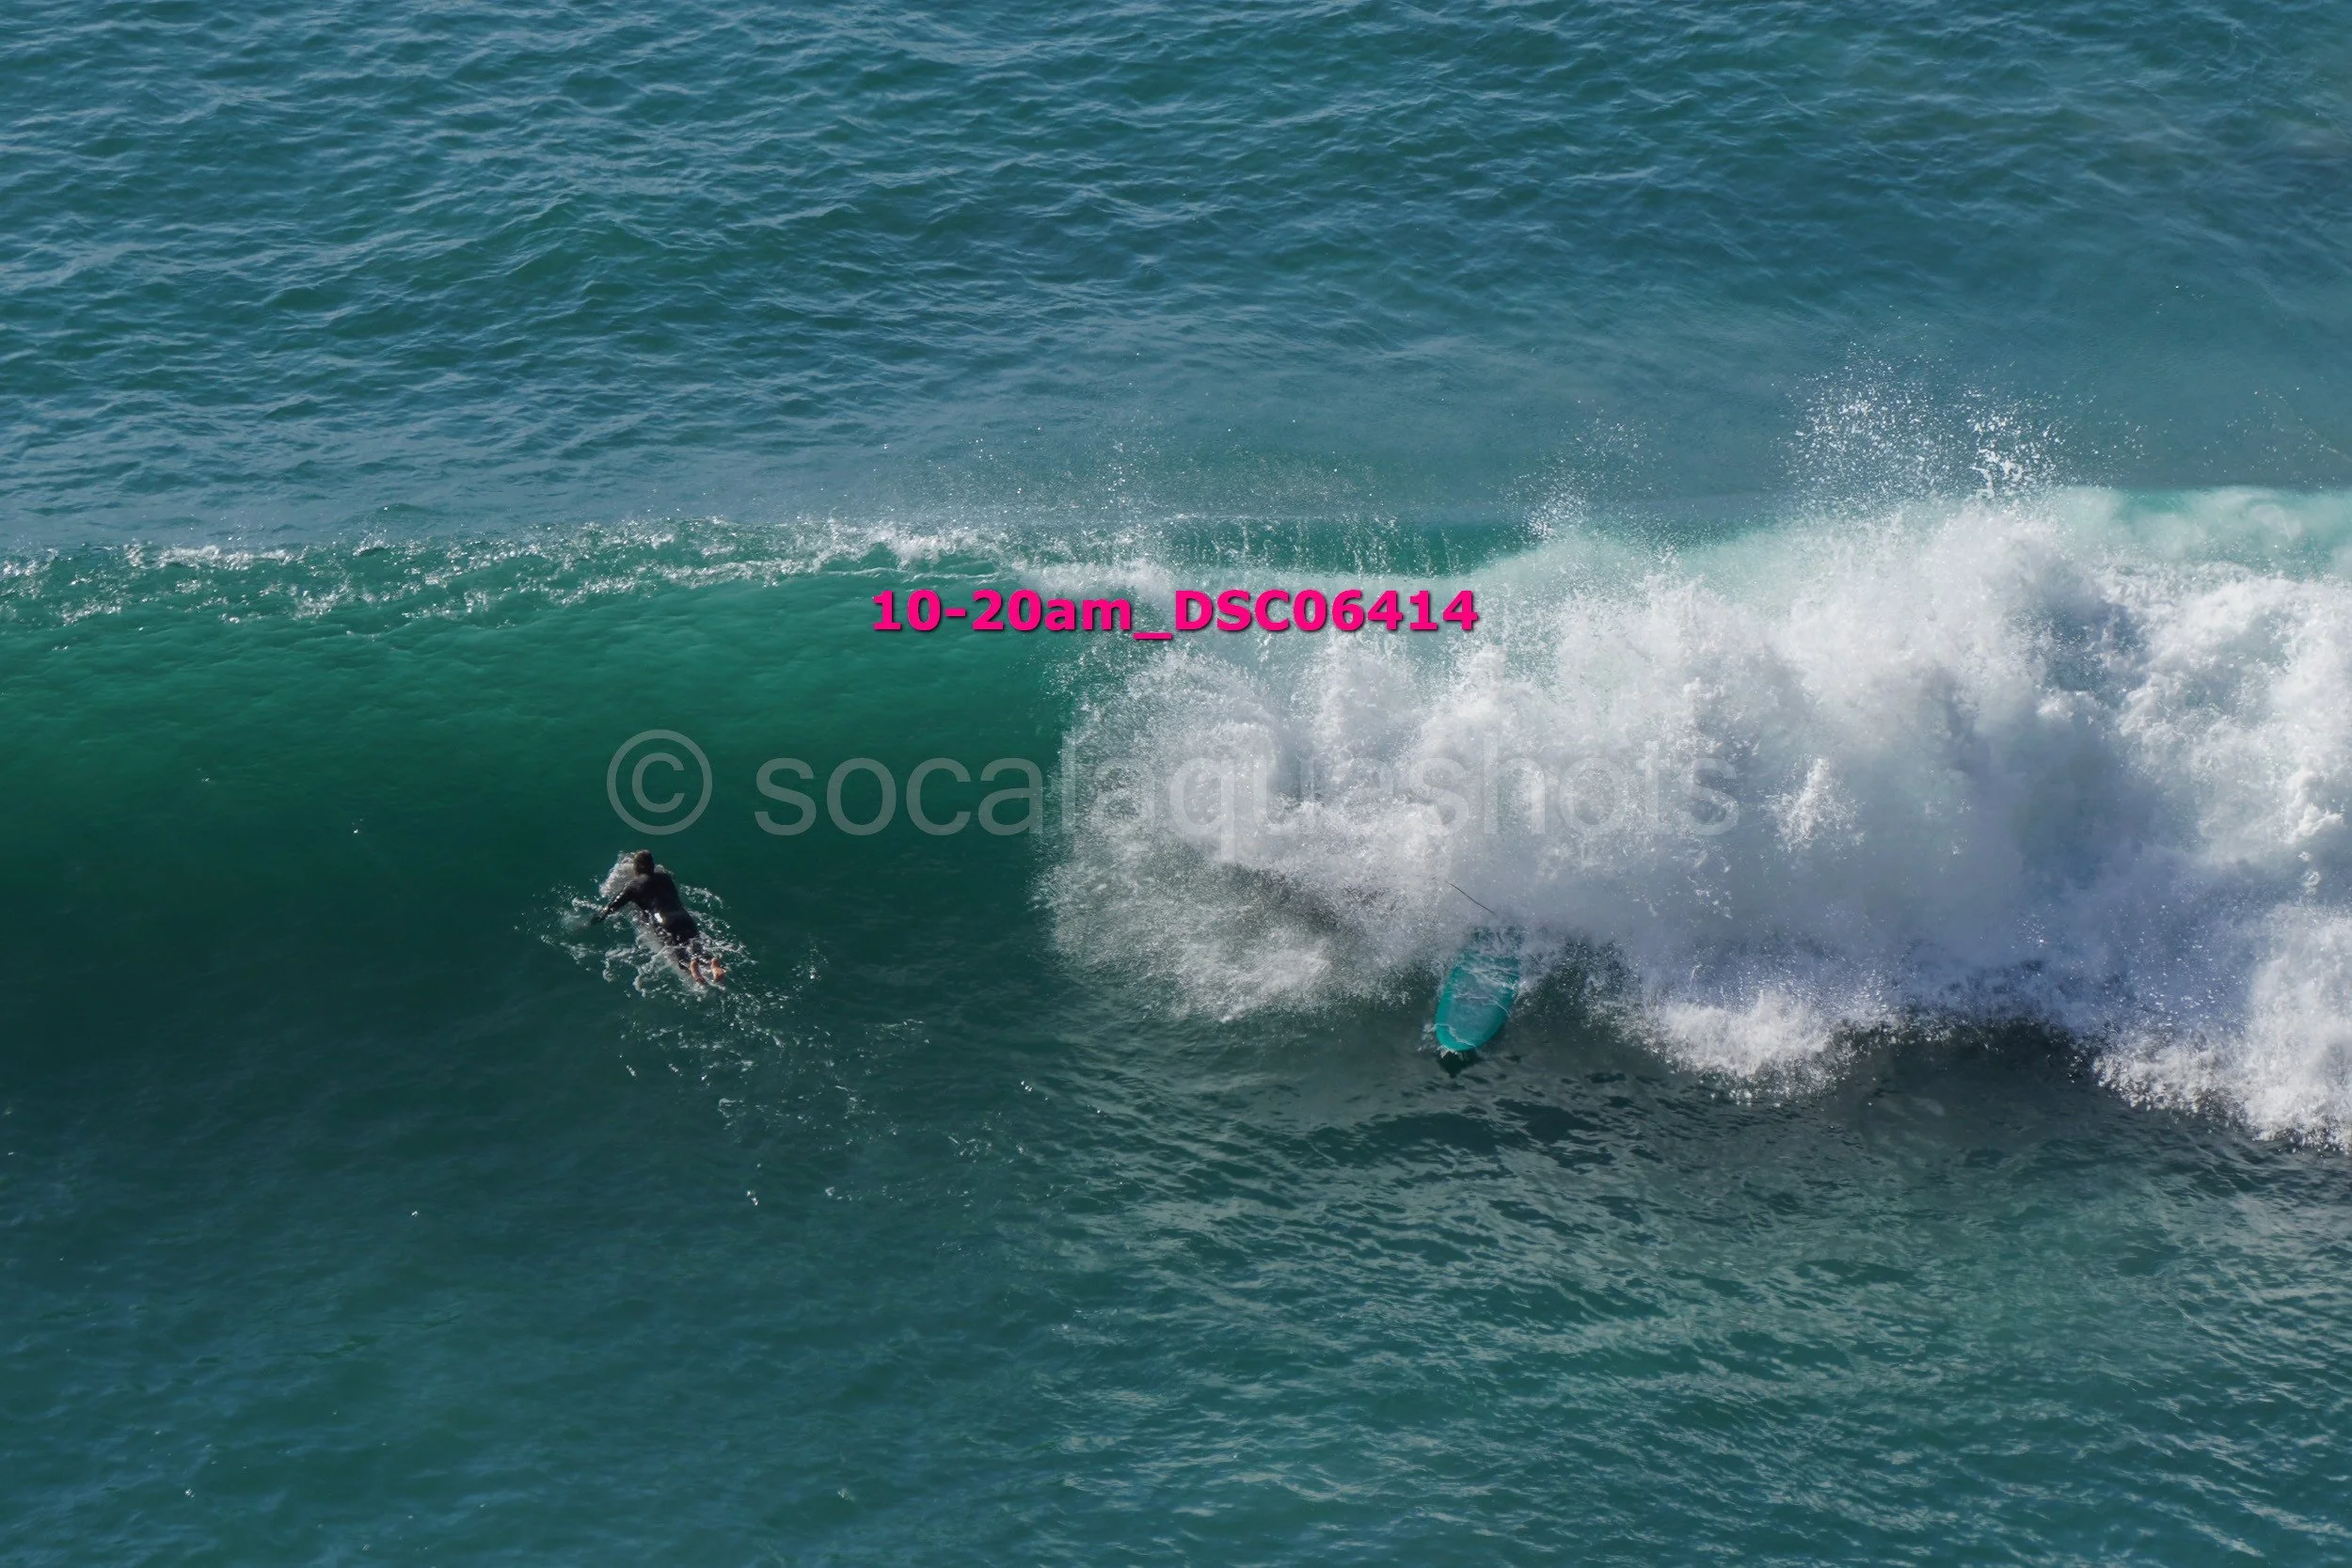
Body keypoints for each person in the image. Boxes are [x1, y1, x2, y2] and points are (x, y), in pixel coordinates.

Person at [595, 849, 724, 985]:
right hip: (685, 918)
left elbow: (611, 907)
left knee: (680, 956)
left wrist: (595, 919)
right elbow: (671, 876)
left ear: (637, 867)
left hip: (664, 922)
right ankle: (711, 962)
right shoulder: (665, 877)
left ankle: (690, 966)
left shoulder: (633, 885)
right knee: (698, 949)